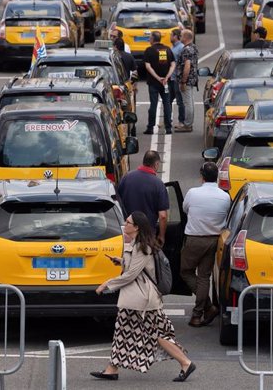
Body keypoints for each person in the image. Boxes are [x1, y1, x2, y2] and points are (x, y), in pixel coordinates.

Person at [92, 211, 196, 382]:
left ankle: (185, 362)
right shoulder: (137, 244)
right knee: (124, 332)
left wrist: (107, 284)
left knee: (154, 334)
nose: (125, 224)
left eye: (128, 222)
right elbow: (136, 267)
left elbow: (131, 274)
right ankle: (112, 369)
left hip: (142, 299)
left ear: (137, 227)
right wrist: (121, 261)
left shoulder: (143, 247)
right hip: (138, 299)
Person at [180, 162, 231, 327]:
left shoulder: (193, 193)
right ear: (216, 177)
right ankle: (198, 313)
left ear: (202, 176)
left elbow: (185, 209)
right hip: (214, 240)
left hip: (194, 238)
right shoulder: (225, 197)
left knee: (186, 271)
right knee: (204, 276)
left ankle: (206, 307)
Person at [117, 150, 169, 240]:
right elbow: (163, 216)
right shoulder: (158, 184)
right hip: (147, 234)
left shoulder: (126, 177)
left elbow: (118, 202)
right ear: (156, 164)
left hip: (128, 231)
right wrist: (161, 236)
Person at [143, 31, 175, 135]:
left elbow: (148, 67)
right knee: (167, 104)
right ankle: (168, 128)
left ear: (153, 39)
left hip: (153, 83)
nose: (149, 40)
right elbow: (173, 65)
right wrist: (166, 77)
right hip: (165, 83)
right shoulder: (167, 49)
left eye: (150, 38)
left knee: (153, 104)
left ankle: (150, 127)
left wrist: (158, 78)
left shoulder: (149, 50)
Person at [175, 29, 198, 132]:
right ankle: (188, 123)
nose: (179, 37)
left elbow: (187, 66)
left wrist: (183, 81)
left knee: (187, 103)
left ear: (185, 37)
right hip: (192, 79)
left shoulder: (186, 50)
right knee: (190, 102)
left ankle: (187, 125)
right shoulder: (193, 47)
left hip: (187, 80)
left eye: (181, 35)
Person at [168, 29, 186, 129]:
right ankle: (168, 120)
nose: (170, 37)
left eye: (171, 35)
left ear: (176, 36)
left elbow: (183, 64)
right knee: (168, 100)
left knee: (180, 101)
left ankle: (181, 121)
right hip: (171, 77)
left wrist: (182, 79)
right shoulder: (173, 47)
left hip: (177, 78)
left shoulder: (181, 48)